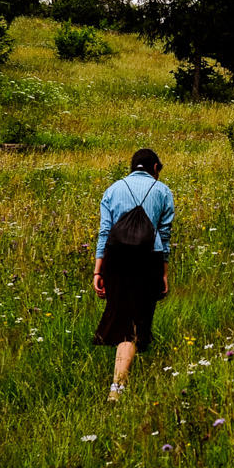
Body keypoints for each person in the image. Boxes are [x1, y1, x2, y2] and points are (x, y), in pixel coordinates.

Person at [92, 149, 174, 402]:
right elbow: (166, 235)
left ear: (131, 167)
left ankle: (118, 382)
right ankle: (117, 386)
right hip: (148, 258)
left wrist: (98, 269)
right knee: (135, 322)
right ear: (156, 167)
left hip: (116, 258)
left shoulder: (113, 189)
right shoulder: (163, 191)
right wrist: (163, 272)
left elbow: (104, 232)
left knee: (123, 318)